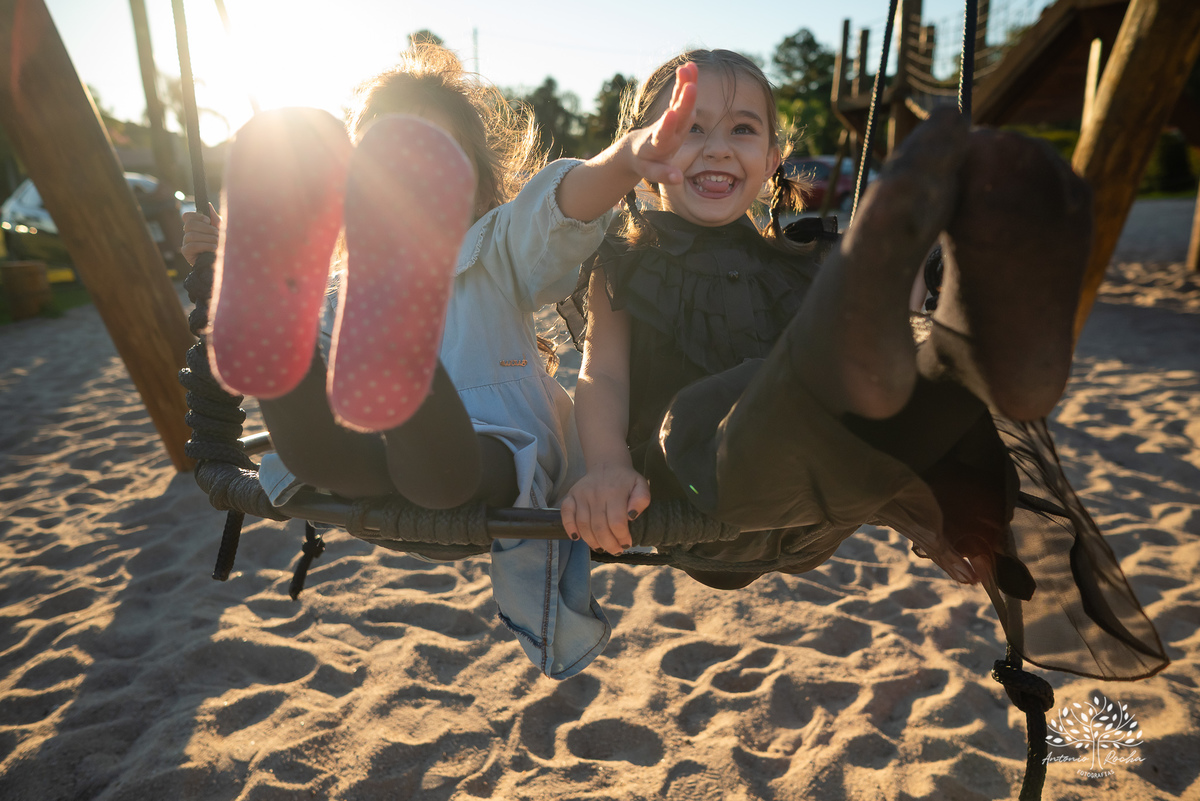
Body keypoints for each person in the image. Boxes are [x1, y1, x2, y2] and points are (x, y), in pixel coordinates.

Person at [556, 49, 1167, 681]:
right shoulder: (624, 264)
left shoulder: (794, 263)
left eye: (743, 128)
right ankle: (923, 323)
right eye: (689, 128)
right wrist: (605, 467)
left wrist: (947, 517)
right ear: (645, 152)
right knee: (769, 389)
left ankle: (963, 346)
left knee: (871, 388)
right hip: (704, 489)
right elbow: (602, 376)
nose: (716, 147)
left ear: (771, 164)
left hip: (815, 504)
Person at [182, 44, 630, 679]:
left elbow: (563, 207)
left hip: (496, 451)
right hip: (379, 446)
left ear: (472, 175)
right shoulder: (343, 281)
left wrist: (626, 161)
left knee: (439, 475)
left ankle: (396, 348)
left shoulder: (499, 243)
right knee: (320, 454)